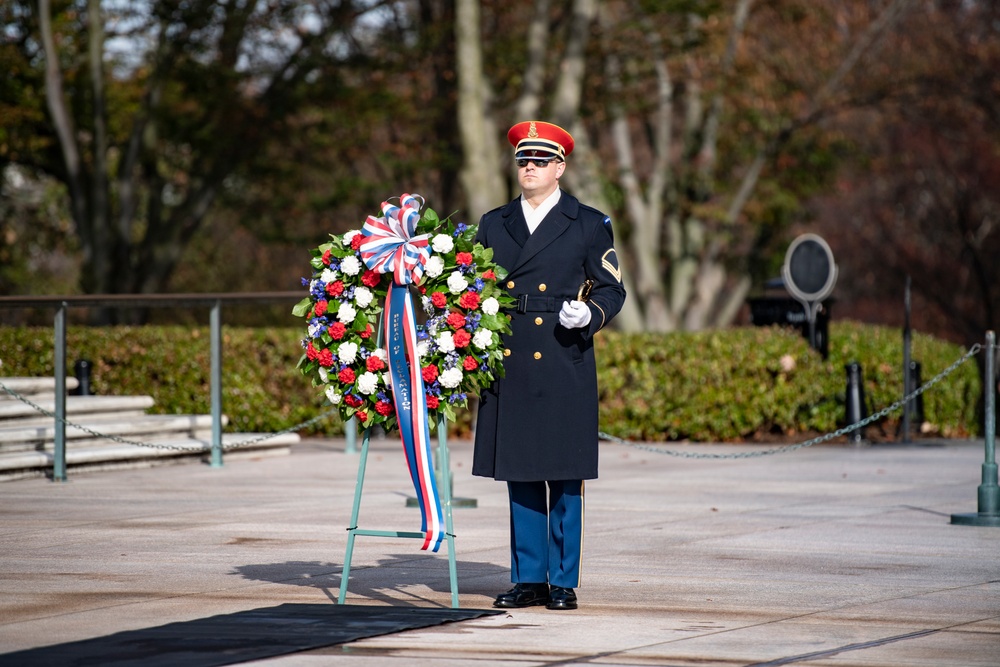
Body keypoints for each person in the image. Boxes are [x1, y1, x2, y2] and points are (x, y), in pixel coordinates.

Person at [472, 120, 627, 610]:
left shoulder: (588, 222)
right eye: (523, 160)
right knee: (520, 470)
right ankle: (529, 578)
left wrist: (590, 314)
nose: (530, 168)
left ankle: (562, 580)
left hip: (564, 352)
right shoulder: (494, 223)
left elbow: (611, 288)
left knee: (563, 473)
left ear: (560, 167)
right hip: (512, 353)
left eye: (540, 161)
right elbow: (472, 287)